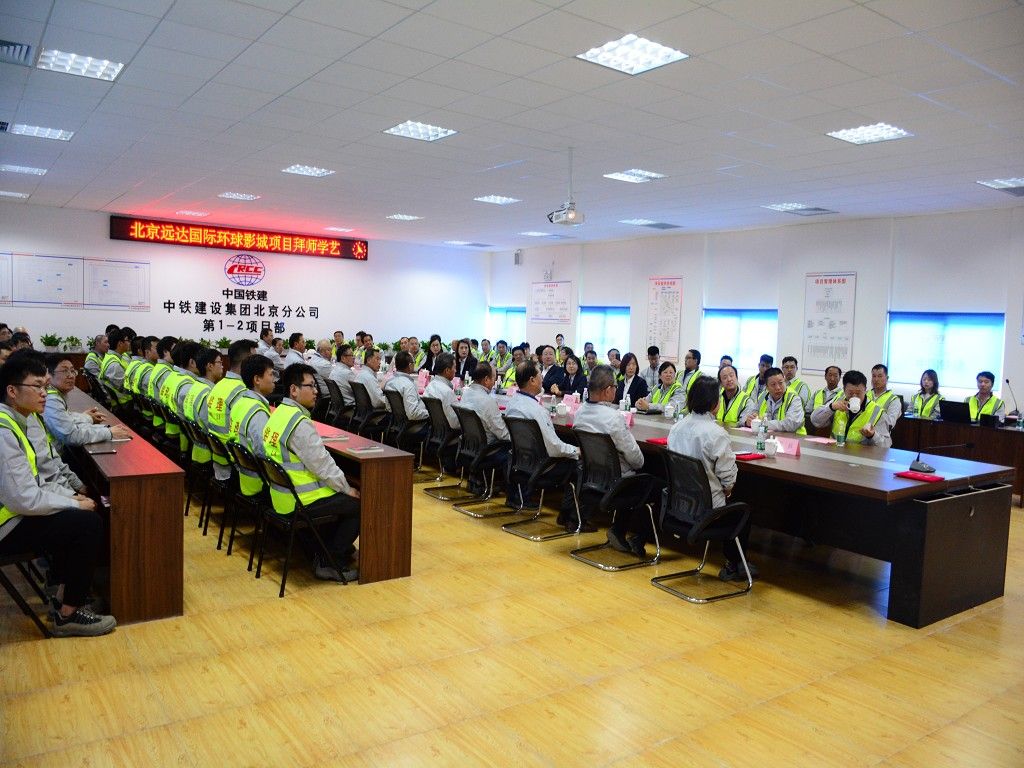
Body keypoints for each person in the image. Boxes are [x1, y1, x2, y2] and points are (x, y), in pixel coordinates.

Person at [0, 352, 117, 636]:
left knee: (77, 513)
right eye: (37, 386)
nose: (44, 393)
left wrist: (70, 498)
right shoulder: (4, 431)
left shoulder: (18, 419)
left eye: (45, 386)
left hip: (15, 513)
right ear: (12, 391)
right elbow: (25, 499)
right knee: (86, 524)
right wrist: (71, 502)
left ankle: (64, 594)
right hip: (7, 525)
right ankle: (68, 614)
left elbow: (37, 479)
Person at [262, 363, 361, 581]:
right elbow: (322, 465)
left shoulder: (278, 414)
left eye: (316, 386)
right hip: (300, 500)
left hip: (280, 497)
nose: (316, 391)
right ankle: (330, 562)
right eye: (311, 386)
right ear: (293, 390)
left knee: (341, 494)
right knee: (357, 505)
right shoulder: (299, 423)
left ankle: (329, 550)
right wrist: (347, 488)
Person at [668, 375, 756, 582]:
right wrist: (727, 489)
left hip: (680, 504)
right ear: (715, 404)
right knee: (743, 510)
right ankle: (734, 565)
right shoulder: (716, 433)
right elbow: (728, 479)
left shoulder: (676, 428)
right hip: (707, 511)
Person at [574, 364, 646, 548]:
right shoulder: (613, 418)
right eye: (615, 386)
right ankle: (625, 533)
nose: (616, 389)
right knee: (649, 479)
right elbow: (637, 460)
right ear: (607, 391)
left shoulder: (580, 413)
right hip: (617, 482)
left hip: (592, 478)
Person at [504, 361, 580, 518]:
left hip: (520, 463)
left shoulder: (512, 404)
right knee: (579, 464)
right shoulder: (537, 411)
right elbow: (554, 448)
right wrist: (576, 450)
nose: (542, 378)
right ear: (532, 380)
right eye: (540, 375)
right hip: (542, 467)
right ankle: (569, 516)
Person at [44, 353, 131, 449]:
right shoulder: (51, 400)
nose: (71, 376)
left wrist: (87, 417)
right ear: (48, 374)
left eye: (72, 371)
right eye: (64, 371)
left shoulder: (54, 394)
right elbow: (71, 436)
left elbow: (66, 419)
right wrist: (109, 432)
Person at [229, 354, 275, 497]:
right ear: (257, 379)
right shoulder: (258, 413)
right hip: (260, 483)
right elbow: (265, 455)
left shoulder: (240, 402)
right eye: (271, 374)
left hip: (244, 477)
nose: (274, 379)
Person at [811, 369, 890, 447]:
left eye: (858, 393)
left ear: (865, 390)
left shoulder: (876, 411)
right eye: (850, 393)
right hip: (835, 450)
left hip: (860, 454)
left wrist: (873, 435)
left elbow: (886, 445)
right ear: (844, 390)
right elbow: (815, 421)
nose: (854, 396)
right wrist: (831, 407)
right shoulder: (838, 401)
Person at [743, 366, 806, 435]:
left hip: (794, 438)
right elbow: (752, 415)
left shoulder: (794, 398)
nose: (778, 388)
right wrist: (749, 421)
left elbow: (791, 424)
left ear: (784, 381)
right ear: (766, 387)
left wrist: (764, 423)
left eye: (780, 383)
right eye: (773, 384)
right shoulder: (762, 397)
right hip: (768, 437)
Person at [384, 351, 429, 434]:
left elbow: (388, 407)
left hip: (396, 423)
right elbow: (413, 414)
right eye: (413, 363)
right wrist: (429, 413)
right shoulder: (408, 385)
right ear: (410, 365)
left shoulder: (389, 382)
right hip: (414, 425)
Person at [424, 352, 459, 429]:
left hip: (433, 429)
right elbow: (455, 424)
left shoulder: (430, 385)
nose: (456, 370)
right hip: (449, 432)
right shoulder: (447, 392)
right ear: (447, 370)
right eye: (454, 367)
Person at [100, 328, 132, 406]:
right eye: (128, 341)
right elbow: (125, 388)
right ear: (120, 343)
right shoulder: (114, 365)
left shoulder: (110, 356)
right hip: (124, 403)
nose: (129, 343)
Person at [867, 364, 901, 431]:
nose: (876, 379)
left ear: (887, 378)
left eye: (880, 376)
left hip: (880, 435)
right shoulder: (865, 394)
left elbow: (890, 424)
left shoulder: (894, 400)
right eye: (874, 376)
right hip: (860, 433)